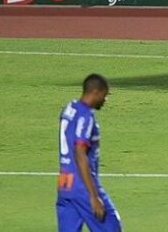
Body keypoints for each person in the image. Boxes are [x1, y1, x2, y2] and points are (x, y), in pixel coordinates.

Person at [56, 74, 122, 232]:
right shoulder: (86, 116)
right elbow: (80, 152)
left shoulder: (69, 108)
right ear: (95, 92)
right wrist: (93, 196)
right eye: (104, 95)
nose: (105, 100)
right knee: (113, 228)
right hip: (83, 187)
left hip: (65, 186)